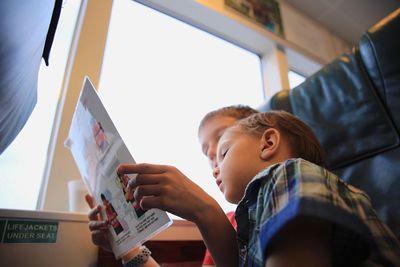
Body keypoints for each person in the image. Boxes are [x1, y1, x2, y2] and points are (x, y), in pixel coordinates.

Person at [116, 111, 400, 266]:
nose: (214, 163)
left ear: (267, 143)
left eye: (223, 150)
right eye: (208, 156)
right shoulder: (252, 218)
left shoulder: (288, 174)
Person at [85, 105, 258, 265]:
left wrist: (205, 210)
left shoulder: (280, 204)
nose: (212, 154)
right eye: (205, 152)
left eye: (222, 138)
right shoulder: (226, 223)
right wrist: (129, 250)